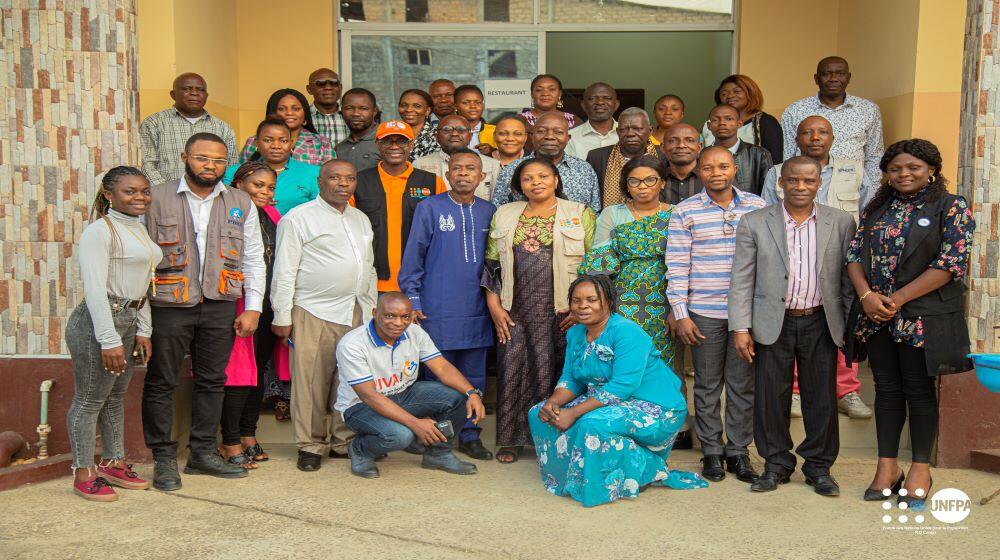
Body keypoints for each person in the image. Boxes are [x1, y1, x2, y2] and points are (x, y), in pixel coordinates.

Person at [845, 139, 974, 508]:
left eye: (913, 167)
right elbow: (854, 255)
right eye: (896, 169)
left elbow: (950, 264)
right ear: (886, 174)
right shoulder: (877, 208)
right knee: (886, 391)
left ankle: (919, 469)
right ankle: (887, 468)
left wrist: (897, 299)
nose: (904, 174)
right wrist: (869, 297)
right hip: (878, 317)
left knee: (918, 391)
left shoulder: (950, 207)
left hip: (923, 317)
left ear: (931, 169)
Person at [142, 133, 266, 490]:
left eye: (218, 160)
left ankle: (201, 454)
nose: (210, 166)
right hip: (168, 305)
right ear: (185, 156)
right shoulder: (156, 197)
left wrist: (253, 307)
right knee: (161, 382)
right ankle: (164, 458)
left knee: (213, 381)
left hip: (220, 303)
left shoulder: (240, 200)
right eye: (202, 158)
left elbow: (253, 257)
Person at [729, 156, 857, 496]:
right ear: (781, 182)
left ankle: (819, 467)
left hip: (821, 320)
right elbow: (742, 279)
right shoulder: (755, 222)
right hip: (773, 322)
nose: (801, 187)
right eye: (793, 181)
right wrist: (740, 328)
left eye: (809, 181)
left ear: (819, 183)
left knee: (822, 398)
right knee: (771, 396)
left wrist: (849, 326)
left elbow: (848, 278)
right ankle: (776, 465)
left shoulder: (841, 222)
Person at [528, 276, 707, 507]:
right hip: (608, 400)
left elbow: (622, 386)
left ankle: (647, 468)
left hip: (655, 407)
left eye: (592, 300)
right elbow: (572, 378)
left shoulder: (626, 332)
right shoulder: (575, 333)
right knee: (538, 413)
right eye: (576, 300)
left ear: (608, 302)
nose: (583, 306)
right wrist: (553, 402)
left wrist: (573, 413)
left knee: (591, 422)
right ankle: (573, 477)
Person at [483, 158, 596, 463]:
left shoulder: (579, 213)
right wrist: (494, 306)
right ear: (519, 186)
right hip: (514, 308)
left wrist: (582, 309)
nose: (536, 183)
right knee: (512, 370)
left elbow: (592, 266)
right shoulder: (504, 214)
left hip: (562, 311)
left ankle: (555, 438)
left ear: (556, 180)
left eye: (543, 176)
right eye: (528, 179)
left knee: (561, 373)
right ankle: (511, 439)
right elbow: (492, 265)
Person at [270, 160, 378, 472]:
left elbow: (367, 268)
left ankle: (344, 442)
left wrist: (370, 310)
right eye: (335, 178)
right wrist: (282, 315)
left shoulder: (360, 219)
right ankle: (310, 445)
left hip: (355, 311)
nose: (343, 184)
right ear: (320, 181)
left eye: (350, 178)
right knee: (311, 383)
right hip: (313, 311)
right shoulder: (298, 219)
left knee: (350, 381)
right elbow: (285, 269)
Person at [762, 116, 873, 420]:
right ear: (795, 139)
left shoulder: (854, 169)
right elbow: (767, 212)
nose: (814, 137)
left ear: (833, 138)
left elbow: (868, 211)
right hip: (791, 254)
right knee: (794, 318)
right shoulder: (776, 173)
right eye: (806, 132)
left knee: (838, 323)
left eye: (822, 132)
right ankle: (795, 391)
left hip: (839, 254)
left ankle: (847, 391)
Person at [666, 146, 765, 484]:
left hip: (745, 314)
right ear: (699, 171)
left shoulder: (757, 207)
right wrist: (681, 312)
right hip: (703, 312)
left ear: (734, 168)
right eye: (708, 168)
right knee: (707, 385)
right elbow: (677, 265)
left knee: (741, 385)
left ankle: (738, 451)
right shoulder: (685, 211)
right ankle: (712, 451)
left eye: (723, 166)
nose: (716, 173)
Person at [580, 155, 693, 449]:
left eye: (650, 180)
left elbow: (684, 262)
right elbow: (598, 263)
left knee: (666, 363)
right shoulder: (612, 214)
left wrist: (675, 308)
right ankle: (625, 423)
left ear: (662, 183)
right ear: (625, 185)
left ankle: (671, 427)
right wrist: (602, 308)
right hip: (623, 301)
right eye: (634, 181)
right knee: (624, 362)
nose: (642, 187)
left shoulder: (677, 214)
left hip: (664, 299)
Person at [66, 167, 162, 501]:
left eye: (144, 191)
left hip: (129, 319)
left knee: (116, 396)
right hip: (98, 322)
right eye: (130, 192)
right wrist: (108, 339)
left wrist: (144, 330)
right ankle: (83, 471)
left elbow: (144, 285)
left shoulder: (138, 229)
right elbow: (94, 290)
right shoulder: (99, 232)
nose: (140, 198)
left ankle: (113, 462)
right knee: (90, 398)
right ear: (109, 194)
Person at [398, 149, 497, 460]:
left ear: (482, 177)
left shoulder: (489, 210)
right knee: (436, 377)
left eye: (471, 169)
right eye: (457, 168)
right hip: (436, 308)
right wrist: (413, 298)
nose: (463, 174)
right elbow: (413, 255)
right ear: (447, 174)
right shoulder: (430, 207)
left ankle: (470, 435)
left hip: (477, 309)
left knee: (474, 376)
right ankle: (435, 437)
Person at [335, 293, 487, 478]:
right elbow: (369, 396)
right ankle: (360, 449)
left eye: (405, 317)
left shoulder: (415, 333)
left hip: (403, 395)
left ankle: (439, 454)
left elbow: (441, 366)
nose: (398, 323)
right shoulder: (353, 344)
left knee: (458, 398)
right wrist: (416, 424)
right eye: (390, 315)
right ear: (375, 313)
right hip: (360, 406)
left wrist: (471, 393)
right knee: (401, 436)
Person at [218, 161, 283, 469]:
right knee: (238, 375)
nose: (265, 192)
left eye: (270, 187)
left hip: (266, 304)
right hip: (237, 302)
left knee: (258, 371)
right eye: (258, 185)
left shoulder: (273, 215)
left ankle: (248, 433)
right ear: (240, 183)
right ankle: (228, 439)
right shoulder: (227, 211)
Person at [353, 121, 446, 293]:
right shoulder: (359, 182)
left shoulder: (432, 182)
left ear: (411, 144)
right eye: (388, 141)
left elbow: (441, 234)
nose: (394, 146)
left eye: (401, 141)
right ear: (377, 144)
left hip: (420, 282)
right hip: (371, 282)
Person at [781, 56, 884, 200]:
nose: (833, 78)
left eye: (840, 74)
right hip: (806, 187)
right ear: (816, 78)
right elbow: (789, 154)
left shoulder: (868, 110)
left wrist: (871, 193)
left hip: (851, 189)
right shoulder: (795, 110)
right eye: (826, 74)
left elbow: (874, 155)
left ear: (849, 77)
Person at [139, 73, 237, 185]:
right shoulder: (154, 123)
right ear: (173, 94)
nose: (194, 93)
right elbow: (147, 164)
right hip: (167, 197)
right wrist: (165, 193)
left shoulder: (223, 128)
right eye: (187, 89)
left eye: (200, 90)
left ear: (206, 95)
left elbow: (231, 167)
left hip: (213, 197)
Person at [492, 112, 601, 211]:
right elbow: (499, 211)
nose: (549, 136)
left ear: (568, 138)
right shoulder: (512, 169)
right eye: (542, 131)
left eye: (558, 132)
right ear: (532, 136)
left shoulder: (584, 170)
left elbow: (594, 212)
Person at [223, 117, 321, 214]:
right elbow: (225, 206)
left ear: (291, 144)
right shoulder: (234, 172)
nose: (276, 146)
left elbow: (319, 211)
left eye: (283, 141)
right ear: (256, 142)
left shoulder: (313, 173)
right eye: (268, 140)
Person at [585, 107, 665, 209]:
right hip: (609, 222)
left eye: (637, 129)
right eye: (624, 129)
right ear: (618, 131)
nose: (630, 134)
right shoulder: (596, 157)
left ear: (650, 131)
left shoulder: (663, 156)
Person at [413, 114, 501, 200]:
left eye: (461, 130)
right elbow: (416, 201)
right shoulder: (419, 164)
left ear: (470, 136)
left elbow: (497, 203)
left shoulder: (492, 165)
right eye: (447, 130)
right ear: (436, 137)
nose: (454, 134)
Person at [238, 88, 334, 166]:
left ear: (305, 114)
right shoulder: (254, 142)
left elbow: (331, 178)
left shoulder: (322, 143)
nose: (289, 113)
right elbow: (240, 176)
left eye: (296, 109)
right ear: (273, 113)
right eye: (281, 109)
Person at [701, 75, 783, 164]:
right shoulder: (710, 124)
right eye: (724, 94)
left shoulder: (766, 123)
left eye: (736, 91)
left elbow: (774, 161)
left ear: (750, 93)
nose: (730, 96)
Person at [707, 104, 772, 195]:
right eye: (715, 119)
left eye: (729, 119)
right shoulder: (702, 156)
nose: (722, 123)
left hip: (753, 208)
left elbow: (768, 192)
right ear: (708, 126)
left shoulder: (759, 154)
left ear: (739, 124)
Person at [565, 82, 620, 159]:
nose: (600, 102)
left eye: (607, 98)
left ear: (616, 105)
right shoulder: (570, 138)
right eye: (592, 98)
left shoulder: (630, 134)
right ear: (583, 105)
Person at [335, 88, 381, 172]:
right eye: (349, 108)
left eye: (363, 108)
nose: (356, 113)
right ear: (342, 111)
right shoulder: (339, 148)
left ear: (374, 111)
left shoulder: (386, 142)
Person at [662, 123, 704, 204]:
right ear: (663, 148)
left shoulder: (711, 177)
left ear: (699, 147)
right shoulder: (654, 177)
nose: (681, 145)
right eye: (673, 140)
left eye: (689, 140)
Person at [307, 68, 349, 145]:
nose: (328, 87)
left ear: (340, 87)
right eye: (320, 83)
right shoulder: (302, 117)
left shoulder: (351, 116)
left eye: (334, 83)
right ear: (309, 89)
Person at [397, 89, 439, 161]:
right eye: (404, 105)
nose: (409, 110)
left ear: (427, 110)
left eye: (417, 106)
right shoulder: (391, 133)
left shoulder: (437, 136)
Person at [453, 84, 496, 154]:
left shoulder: (495, 131)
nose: (473, 106)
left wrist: (492, 152)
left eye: (478, 102)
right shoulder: (447, 131)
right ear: (455, 106)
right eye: (466, 103)